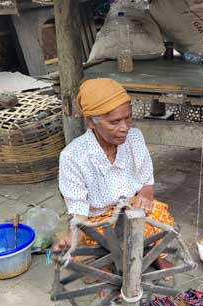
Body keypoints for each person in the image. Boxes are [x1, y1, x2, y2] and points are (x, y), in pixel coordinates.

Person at [55, 78, 173, 273]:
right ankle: (109, 262)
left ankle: (156, 254)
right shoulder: (72, 156)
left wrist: (145, 196)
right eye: (115, 122)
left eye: (128, 118)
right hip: (99, 220)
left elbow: (147, 182)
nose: (125, 127)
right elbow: (78, 211)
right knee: (108, 239)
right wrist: (72, 237)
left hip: (131, 207)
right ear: (92, 121)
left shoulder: (134, 138)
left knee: (159, 214)